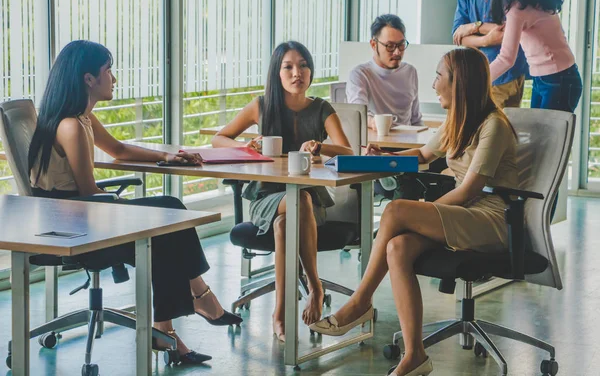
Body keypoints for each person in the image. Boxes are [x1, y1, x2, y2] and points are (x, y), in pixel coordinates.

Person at [28, 40, 242, 365]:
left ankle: (174, 321)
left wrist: (169, 156)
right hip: (73, 228)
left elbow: (120, 150)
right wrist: (125, 208)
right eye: (108, 70)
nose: (113, 78)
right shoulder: (70, 126)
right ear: (88, 79)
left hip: (83, 216)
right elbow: (88, 192)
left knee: (169, 209)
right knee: (164, 222)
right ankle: (186, 310)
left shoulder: (82, 118)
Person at [310, 47, 519, 376]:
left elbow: (469, 191)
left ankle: (360, 302)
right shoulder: (457, 121)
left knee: (395, 211)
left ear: (459, 83)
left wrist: (423, 216)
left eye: (439, 77)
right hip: (464, 213)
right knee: (397, 247)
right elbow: (422, 155)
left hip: (491, 219)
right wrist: (380, 158)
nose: (434, 85)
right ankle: (415, 355)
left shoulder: (494, 126)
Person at [212, 41, 353, 342]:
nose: (297, 72)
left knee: (290, 215)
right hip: (266, 200)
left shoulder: (321, 109)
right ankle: (315, 287)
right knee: (292, 202)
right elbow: (219, 139)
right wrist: (246, 147)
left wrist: (319, 146)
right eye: (288, 66)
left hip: (309, 202)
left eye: (303, 65)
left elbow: (346, 149)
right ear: (276, 72)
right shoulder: (261, 106)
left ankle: (281, 310)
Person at [487, 0, 582, 112]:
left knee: (546, 133)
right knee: (540, 133)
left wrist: (479, 81)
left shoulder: (518, 9)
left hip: (557, 81)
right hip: (551, 78)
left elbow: (506, 59)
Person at [452, 0, 529, 108]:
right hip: (484, 74)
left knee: (505, 127)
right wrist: (486, 40)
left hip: (512, 71)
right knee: (489, 127)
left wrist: (474, 26)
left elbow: (510, 30)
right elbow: (458, 35)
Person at [346, 14, 423, 129]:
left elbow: (416, 120)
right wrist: (373, 123)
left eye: (401, 45)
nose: (397, 52)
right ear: (373, 44)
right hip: (376, 143)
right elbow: (358, 114)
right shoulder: (360, 74)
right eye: (390, 46)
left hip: (408, 143)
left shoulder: (410, 72)